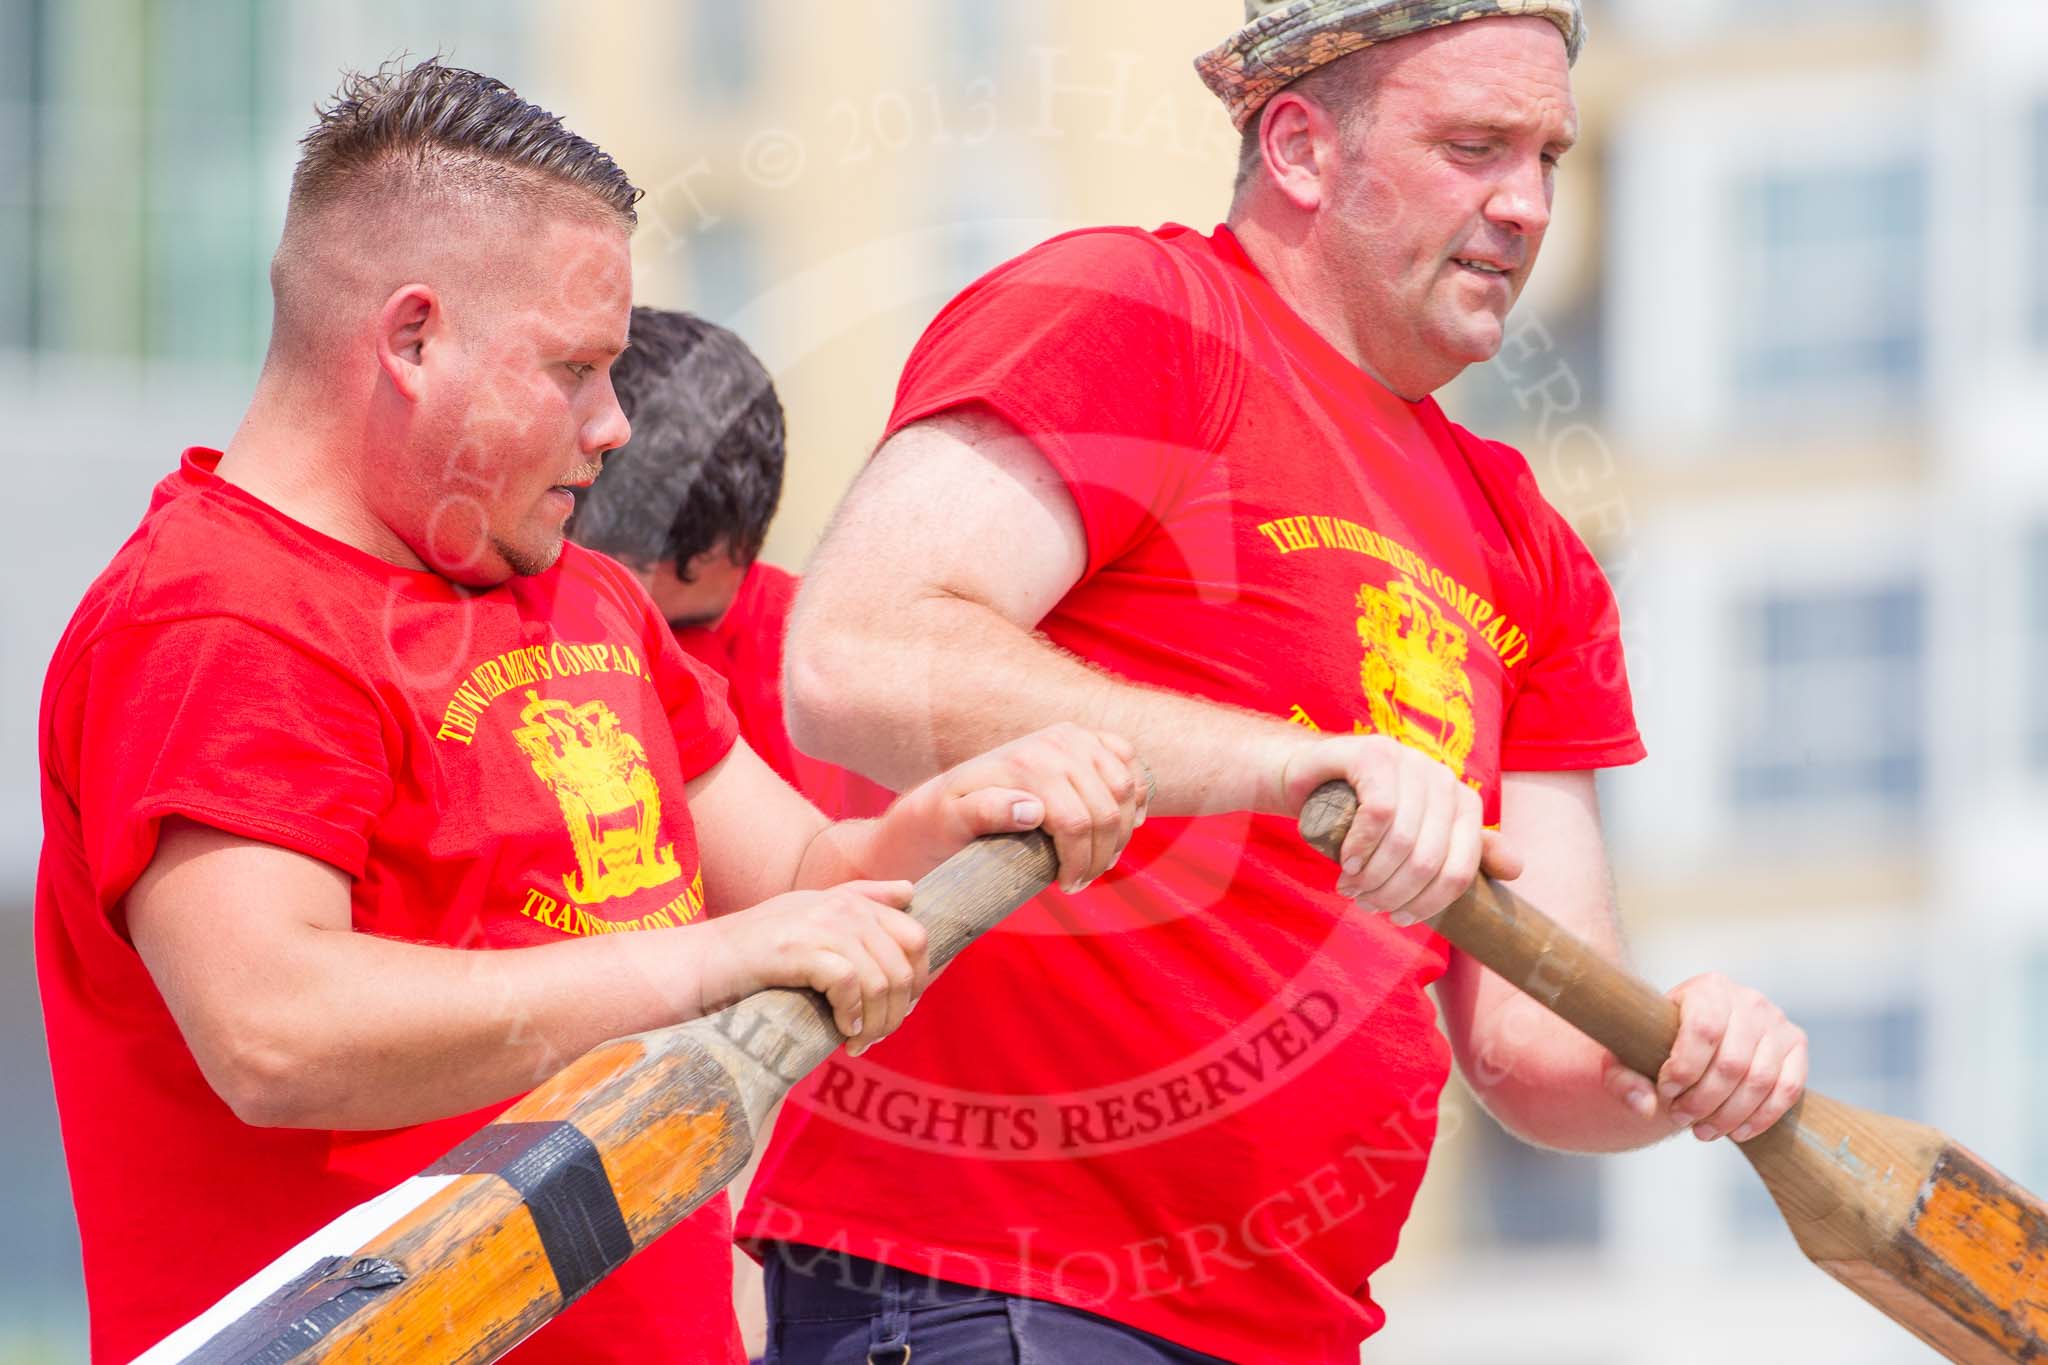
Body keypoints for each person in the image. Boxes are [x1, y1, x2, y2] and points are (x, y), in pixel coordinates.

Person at [738, 5, 1811, 1363]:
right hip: (993, 1291)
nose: (1528, 204)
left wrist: (1677, 1058)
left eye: (1548, 154)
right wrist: (1294, 763)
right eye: (1474, 146)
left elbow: (1541, 1051)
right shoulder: (1139, 314)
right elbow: (859, 653)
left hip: (1291, 1333)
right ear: (1300, 147)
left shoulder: (1522, 540)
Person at [33, 60, 1144, 1365]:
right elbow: (275, 1029)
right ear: (410, 339)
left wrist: (959, 814)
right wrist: (702, 968)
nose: (616, 424)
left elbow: (799, 878)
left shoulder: (586, 596)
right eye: (575, 367)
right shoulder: (220, 620)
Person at [567, 306, 891, 818]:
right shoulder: (492, 668)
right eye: (635, 626)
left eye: (693, 625)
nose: (674, 659)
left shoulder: (848, 664)